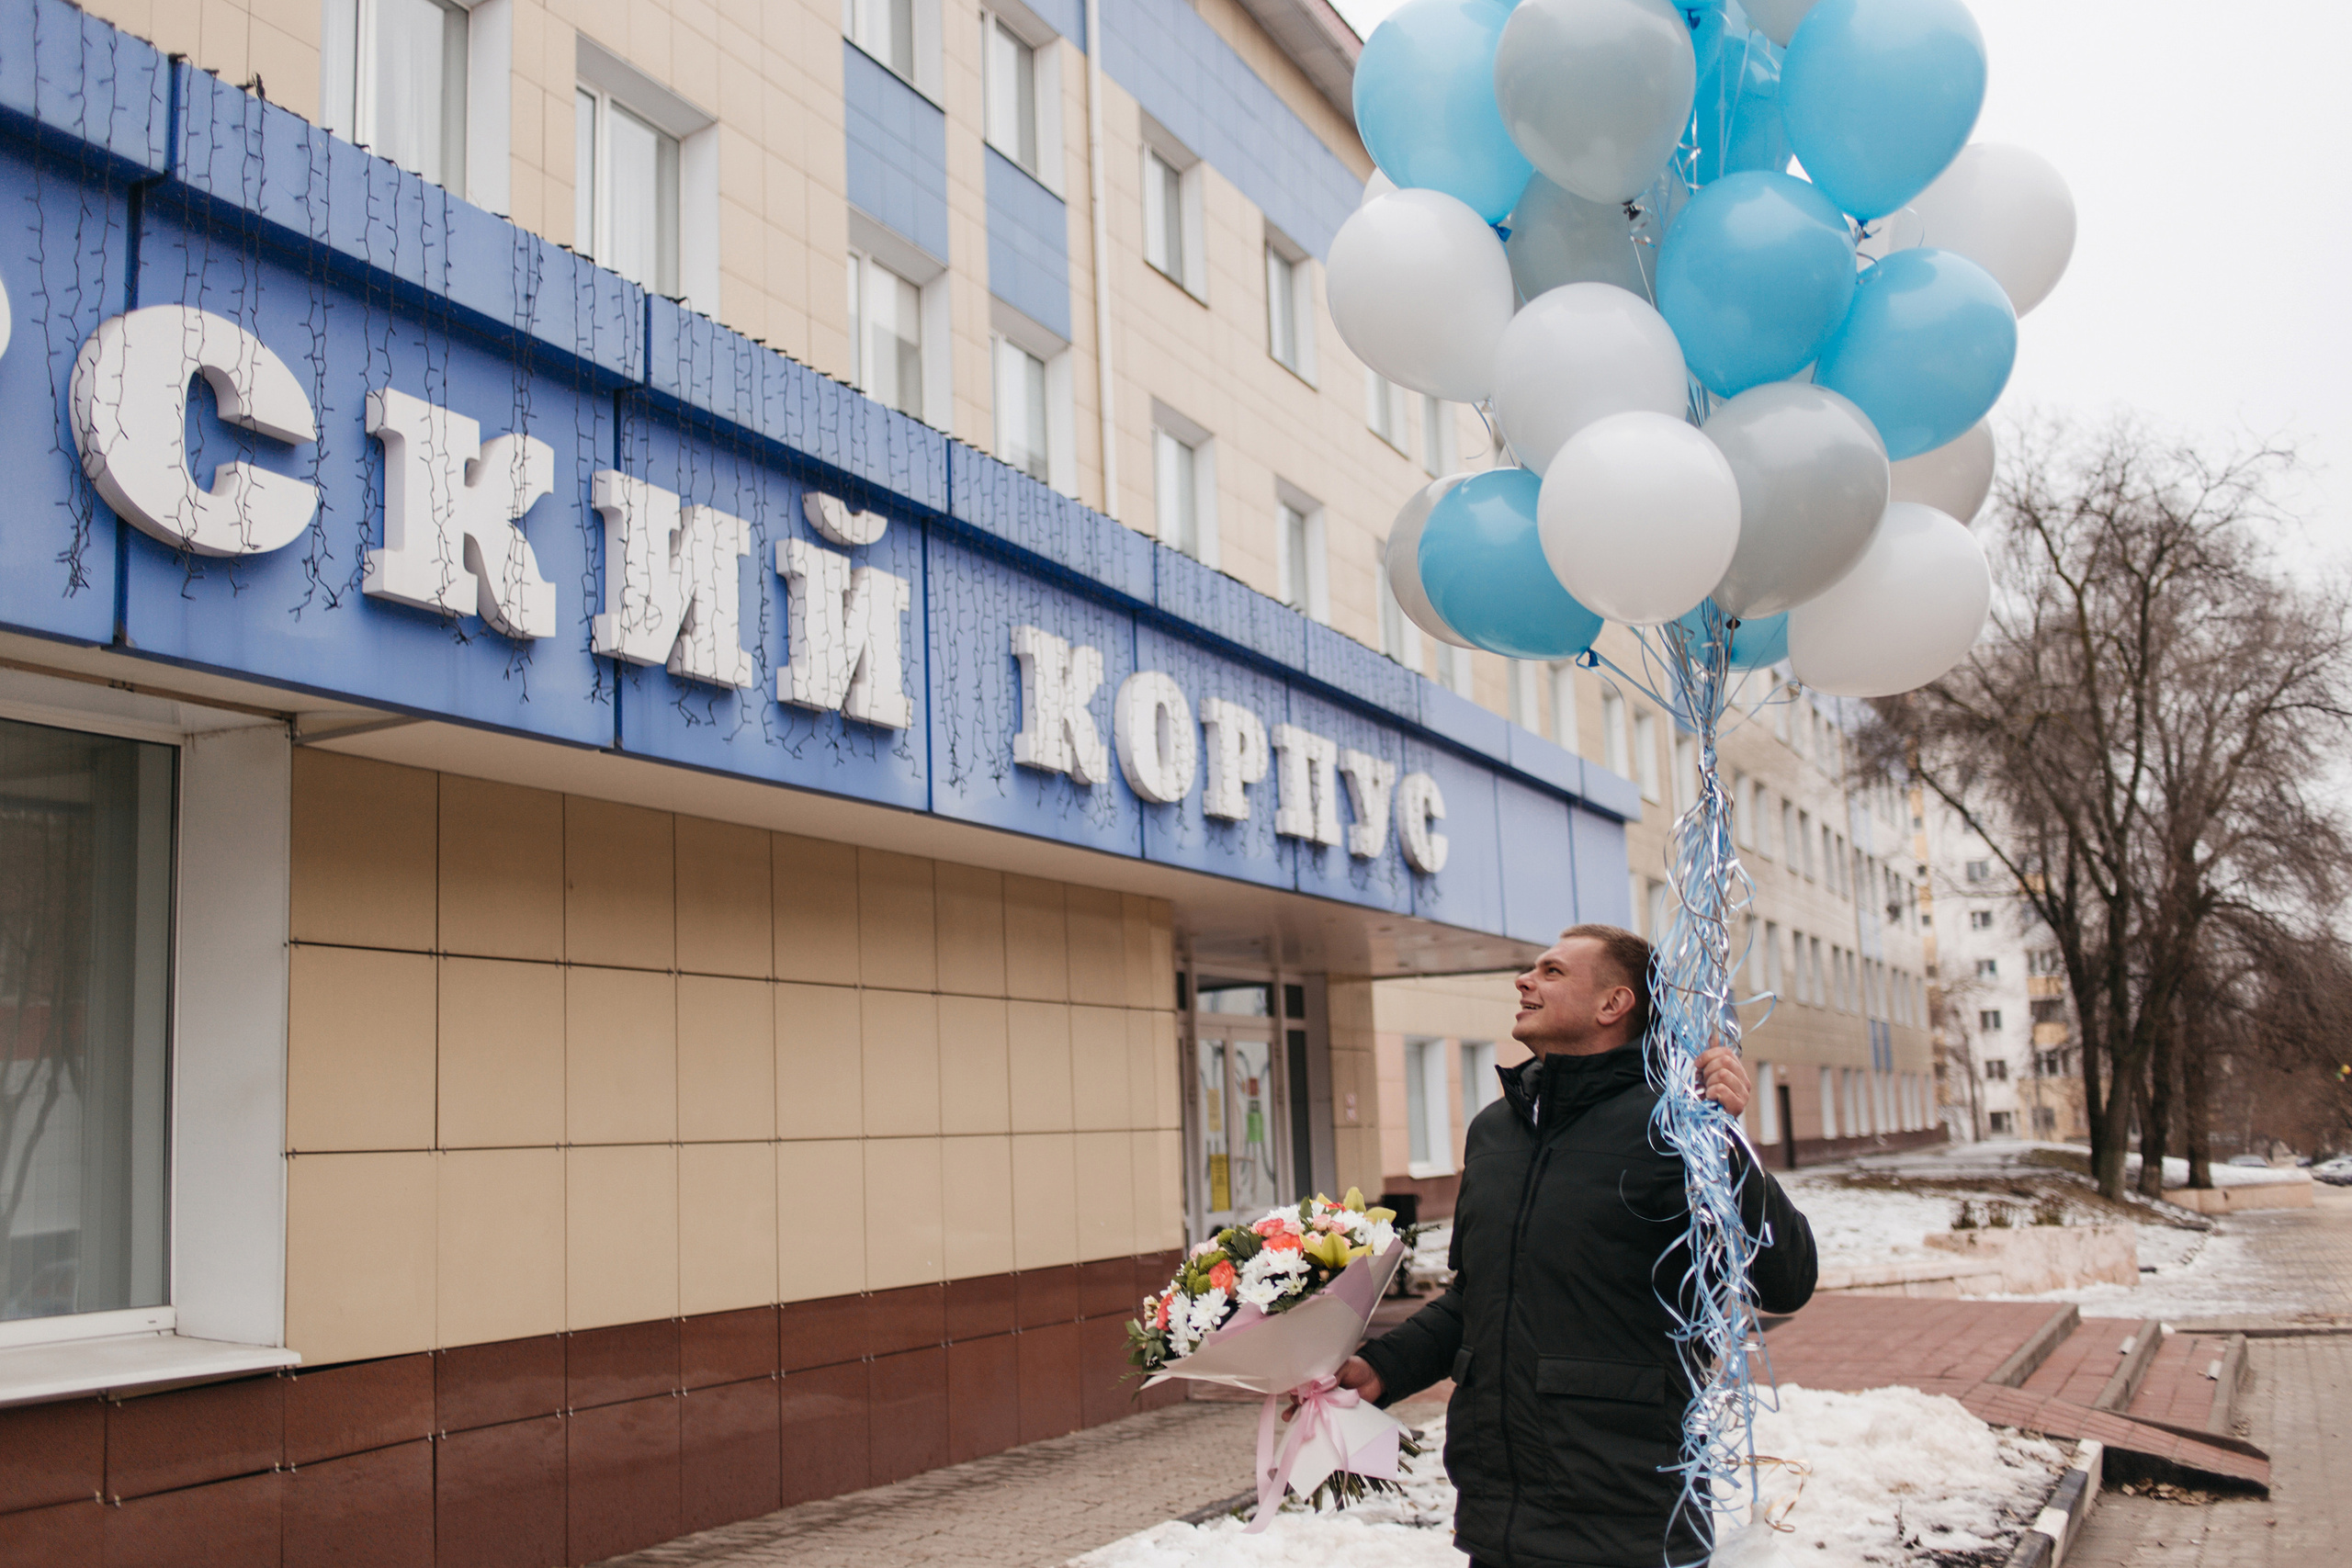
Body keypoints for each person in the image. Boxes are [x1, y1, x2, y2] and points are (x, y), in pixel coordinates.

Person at [1340, 923, 1817, 1567]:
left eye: (1552, 971)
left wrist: (1727, 1146)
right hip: (1497, 1518)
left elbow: (1786, 1278)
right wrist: (1385, 1366)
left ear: (1613, 1004)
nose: (1524, 979)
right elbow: (1481, 1293)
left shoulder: (1676, 1125)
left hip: (1627, 1525)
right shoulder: (1495, 1130)